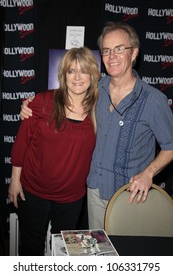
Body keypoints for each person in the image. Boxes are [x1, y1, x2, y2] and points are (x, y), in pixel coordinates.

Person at [19, 22, 173, 230]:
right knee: (99, 255)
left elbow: (170, 146)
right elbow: (64, 96)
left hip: (129, 195)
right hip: (95, 192)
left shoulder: (154, 100)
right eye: (107, 51)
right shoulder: (95, 89)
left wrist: (148, 173)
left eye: (120, 49)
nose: (112, 56)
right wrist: (31, 105)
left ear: (134, 53)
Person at [8, 46, 100, 255]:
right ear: (63, 75)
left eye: (83, 70)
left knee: (64, 251)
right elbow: (22, 142)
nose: (77, 77)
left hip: (71, 198)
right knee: (30, 250)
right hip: (33, 192)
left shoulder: (100, 109)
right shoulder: (42, 101)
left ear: (93, 75)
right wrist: (15, 181)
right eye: (71, 71)